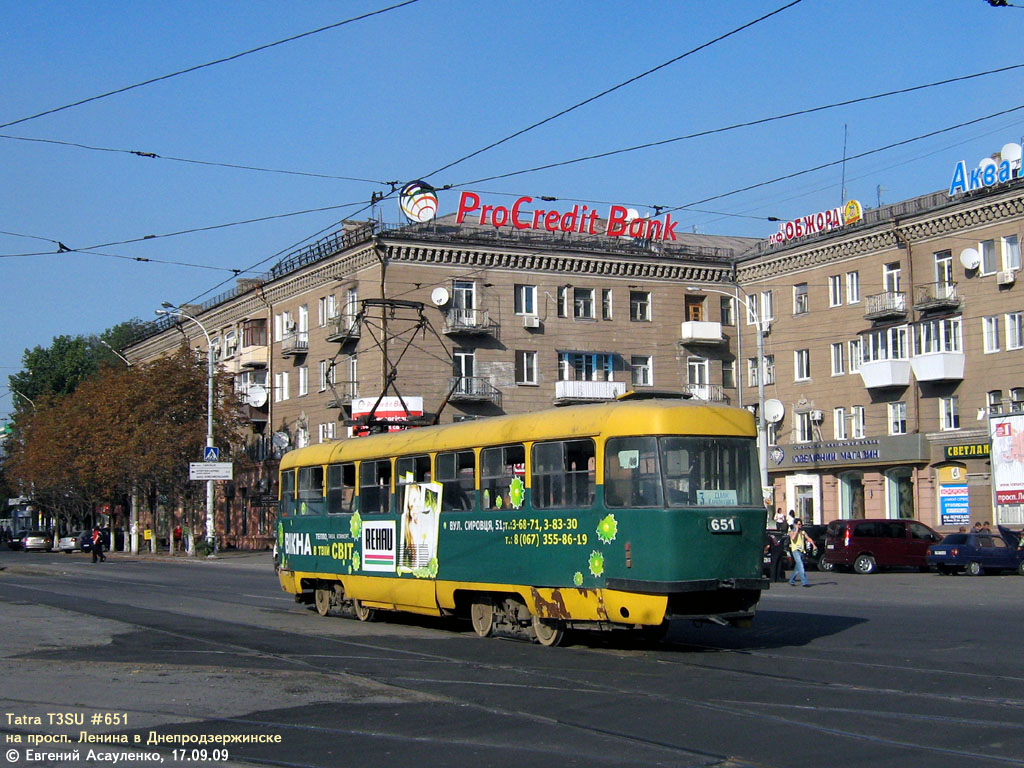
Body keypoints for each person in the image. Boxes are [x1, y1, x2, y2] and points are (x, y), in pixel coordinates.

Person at [788, 519, 816, 587]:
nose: (800, 526)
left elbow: (808, 538)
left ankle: (791, 580)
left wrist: (814, 545)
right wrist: (796, 530)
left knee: (798, 568)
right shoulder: (791, 531)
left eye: (800, 524)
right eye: (798, 524)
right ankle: (805, 582)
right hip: (795, 550)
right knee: (801, 566)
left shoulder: (803, 532)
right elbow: (793, 538)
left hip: (802, 551)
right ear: (795, 525)